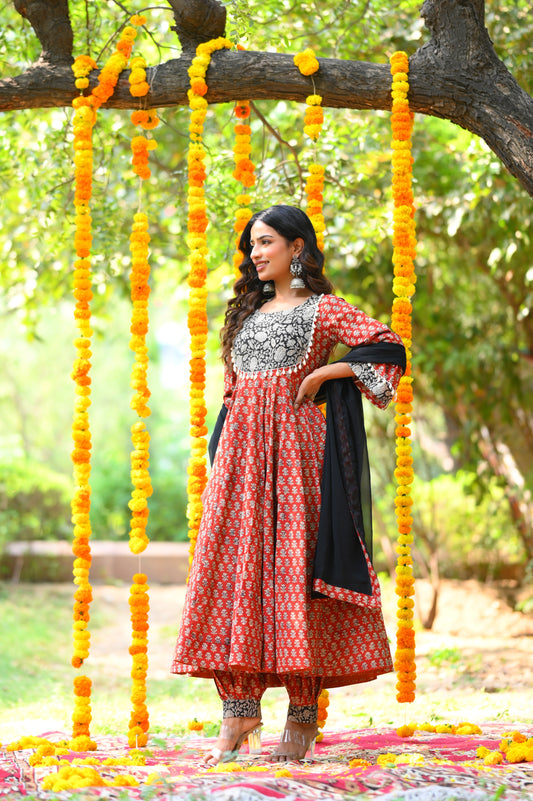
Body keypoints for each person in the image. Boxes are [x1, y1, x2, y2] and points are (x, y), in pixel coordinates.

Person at [172, 205, 406, 765]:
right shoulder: (246, 314)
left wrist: (327, 372)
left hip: (298, 456)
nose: (255, 253)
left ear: (297, 248)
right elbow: (234, 391)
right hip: (240, 456)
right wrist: (222, 459)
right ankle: (239, 710)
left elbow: (387, 347)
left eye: (266, 242)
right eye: (251, 245)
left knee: (293, 571)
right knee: (232, 571)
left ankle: (302, 717)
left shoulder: (323, 311)